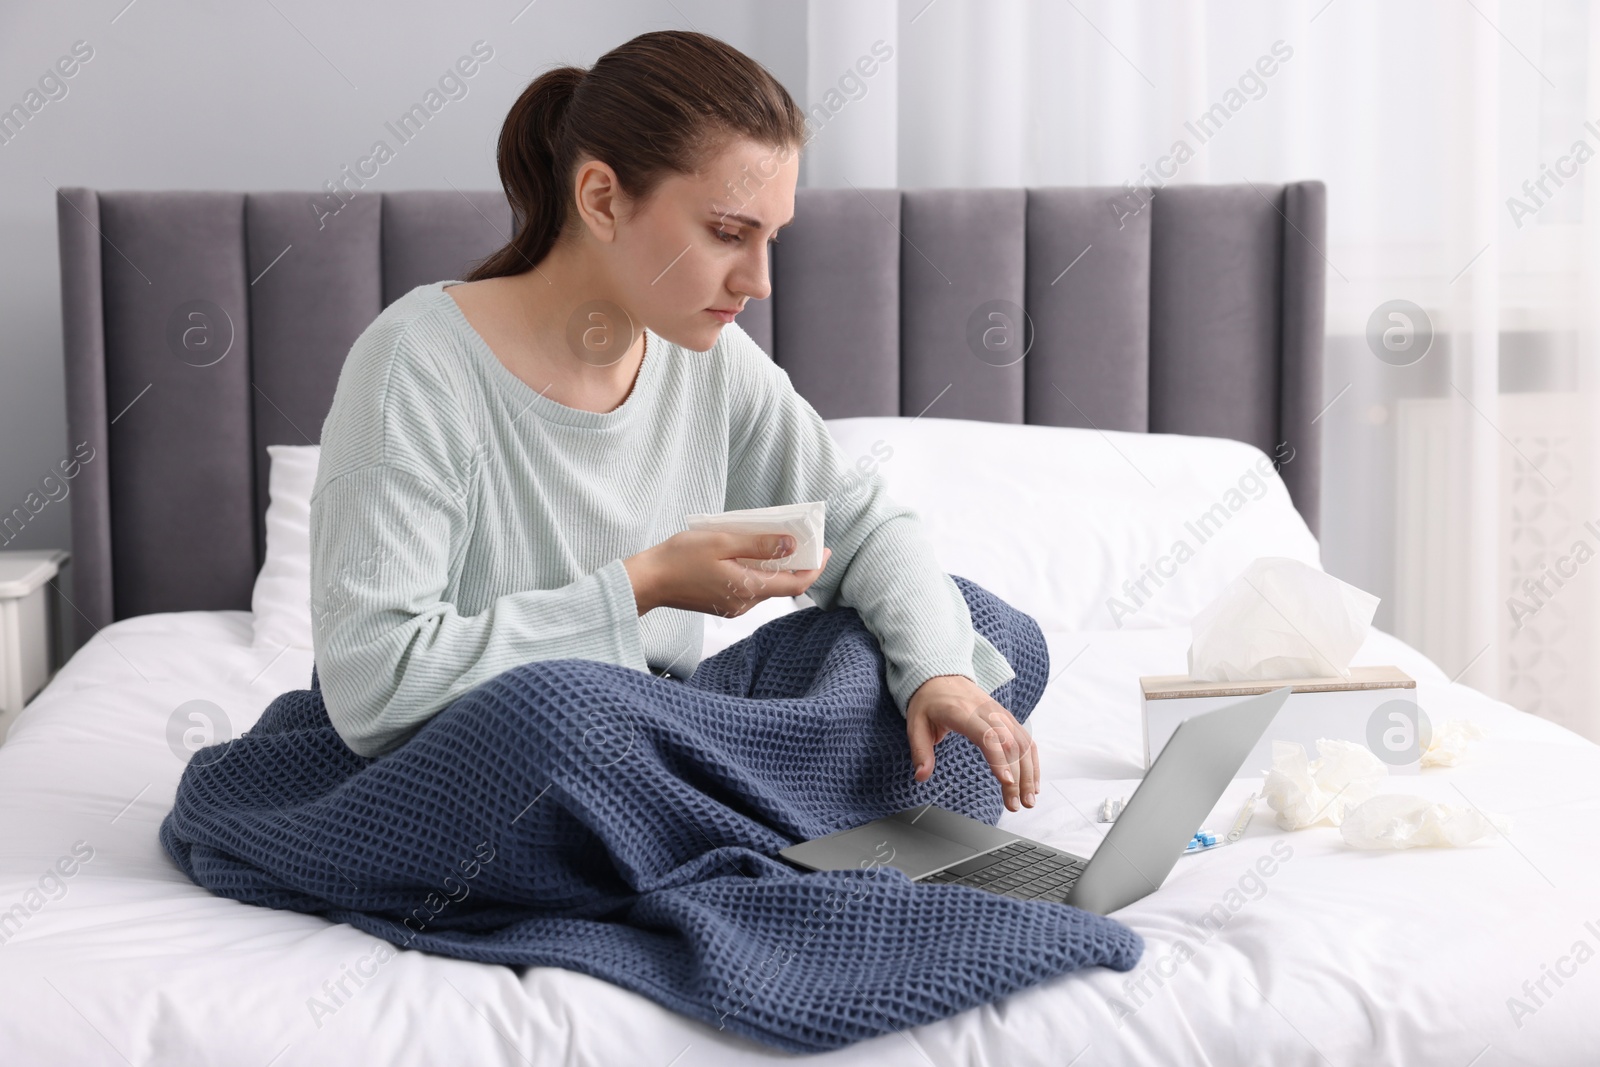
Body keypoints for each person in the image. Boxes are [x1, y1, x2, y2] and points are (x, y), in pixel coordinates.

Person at [309, 29, 1041, 812]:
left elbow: (863, 528)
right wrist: (645, 585)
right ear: (601, 199)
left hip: (656, 735)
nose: (758, 281)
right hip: (488, 756)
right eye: (728, 232)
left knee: (983, 637)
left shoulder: (709, 358)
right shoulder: (416, 364)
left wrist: (940, 674)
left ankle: (743, 814)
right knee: (563, 719)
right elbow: (375, 685)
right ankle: (787, 817)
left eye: (771, 238)